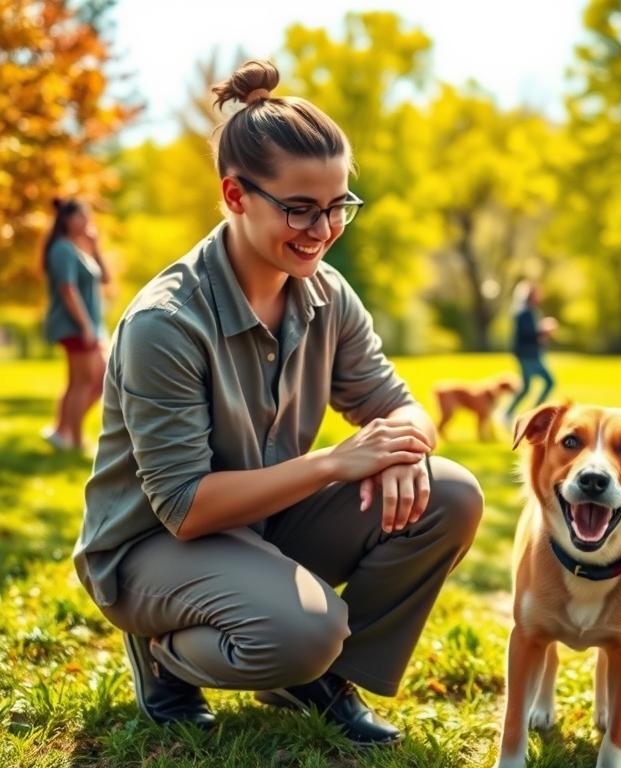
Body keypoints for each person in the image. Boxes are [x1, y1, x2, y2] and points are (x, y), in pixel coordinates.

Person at [71, 60, 483, 744]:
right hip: (154, 548)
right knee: (305, 627)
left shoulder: (326, 292)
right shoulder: (165, 324)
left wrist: (406, 446)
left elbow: (398, 404)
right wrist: (335, 463)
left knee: (452, 495)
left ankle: (317, 678)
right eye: (300, 208)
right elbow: (184, 506)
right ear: (235, 195)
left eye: (338, 206)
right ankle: (168, 656)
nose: (322, 229)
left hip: (261, 525)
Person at [41, 198, 109, 450]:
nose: (87, 220)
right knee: (85, 382)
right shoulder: (62, 249)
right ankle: (75, 441)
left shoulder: (78, 248)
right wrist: (86, 326)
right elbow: (67, 289)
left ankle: (62, 432)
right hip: (75, 326)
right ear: (67, 220)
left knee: (86, 381)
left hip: (86, 325)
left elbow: (106, 278)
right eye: (81, 216)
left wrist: (95, 246)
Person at [503, 279, 556, 425]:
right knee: (534, 386)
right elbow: (527, 334)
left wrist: (544, 335)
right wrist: (543, 328)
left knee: (539, 384)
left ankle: (530, 413)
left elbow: (536, 335)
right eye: (536, 293)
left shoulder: (533, 312)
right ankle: (511, 414)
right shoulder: (522, 313)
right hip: (526, 355)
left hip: (535, 354)